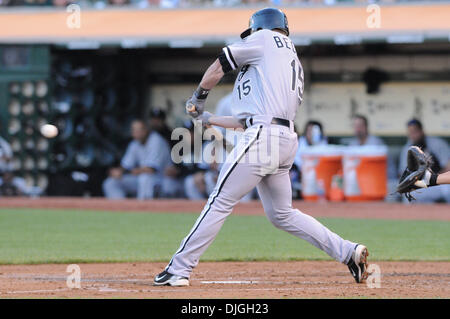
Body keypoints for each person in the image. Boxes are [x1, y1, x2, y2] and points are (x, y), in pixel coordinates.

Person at [154, 8, 369, 287]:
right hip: (282, 139)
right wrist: (209, 119)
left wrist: (199, 97)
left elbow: (219, 66)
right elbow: (250, 119)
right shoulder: (288, 56)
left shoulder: (266, 38)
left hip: (263, 136)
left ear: (261, 27)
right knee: (282, 214)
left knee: (220, 200)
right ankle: (348, 252)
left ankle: (178, 269)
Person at [102, 117, 170, 200]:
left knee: (145, 178)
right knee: (111, 183)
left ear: (145, 130)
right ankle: (120, 209)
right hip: (140, 178)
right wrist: (118, 171)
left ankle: (145, 208)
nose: (135, 133)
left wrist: (127, 172)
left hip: (161, 179)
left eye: (138, 130)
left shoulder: (156, 140)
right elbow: (126, 165)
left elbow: (151, 169)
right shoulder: (134, 143)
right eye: (133, 130)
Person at [398, 119, 450, 203]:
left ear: (422, 131)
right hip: (422, 185)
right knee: (408, 194)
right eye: (410, 133)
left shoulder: (436, 143)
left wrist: (436, 179)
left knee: (448, 190)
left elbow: (448, 166)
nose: (413, 135)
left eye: (415, 132)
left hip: (440, 183)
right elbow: (402, 174)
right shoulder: (407, 149)